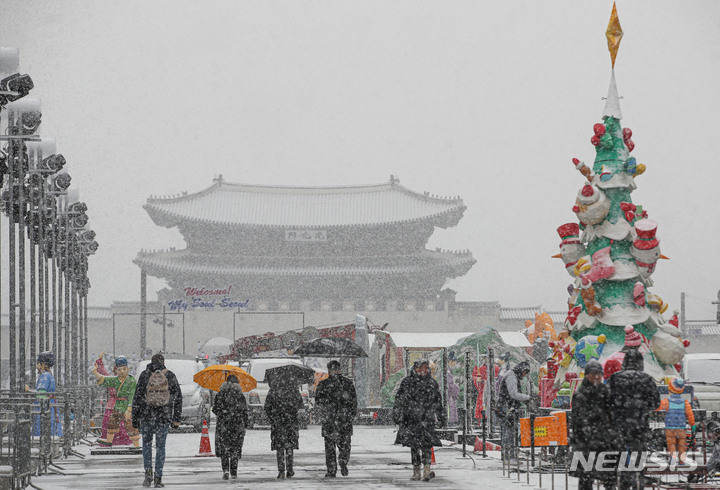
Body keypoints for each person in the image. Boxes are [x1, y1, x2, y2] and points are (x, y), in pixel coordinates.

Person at [608, 349, 660, 490]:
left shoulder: (615, 378)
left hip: (619, 425)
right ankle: (638, 482)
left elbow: (607, 401)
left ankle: (625, 482)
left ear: (624, 362)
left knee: (622, 456)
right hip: (640, 425)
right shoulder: (647, 379)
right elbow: (656, 402)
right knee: (639, 456)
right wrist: (642, 409)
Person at [132, 353, 183, 488]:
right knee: (161, 447)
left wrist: (135, 418)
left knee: (147, 445)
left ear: (151, 362)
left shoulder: (144, 375)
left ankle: (148, 473)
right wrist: (176, 418)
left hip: (147, 416)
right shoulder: (170, 375)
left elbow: (137, 397)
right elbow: (178, 397)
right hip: (163, 417)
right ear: (163, 362)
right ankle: (158, 477)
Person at [392, 359, 445, 482]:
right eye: (421, 368)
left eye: (426, 368)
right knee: (414, 446)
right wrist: (396, 414)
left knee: (426, 445)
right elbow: (399, 399)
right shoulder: (407, 382)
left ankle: (426, 470)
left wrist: (441, 417)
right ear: (415, 369)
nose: (423, 371)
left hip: (427, 419)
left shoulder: (432, 383)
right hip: (412, 419)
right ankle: (416, 471)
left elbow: (438, 402)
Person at [570, 360, 618, 490]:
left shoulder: (605, 392)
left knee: (609, 478)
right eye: (594, 373)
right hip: (587, 443)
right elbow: (578, 420)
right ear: (587, 375)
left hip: (605, 442)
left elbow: (612, 414)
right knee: (586, 478)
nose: (597, 377)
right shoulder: (580, 394)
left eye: (599, 374)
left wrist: (611, 434)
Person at [315, 360, 357, 478]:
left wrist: (324, 413)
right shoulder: (347, 383)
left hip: (329, 420)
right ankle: (343, 462)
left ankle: (331, 470)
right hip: (344, 420)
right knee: (345, 445)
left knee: (330, 447)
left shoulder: (323, 384)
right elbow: (354, 402)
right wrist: (350, 415)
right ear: (340, 370)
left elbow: (318, 402)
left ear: (328, 370)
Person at [92, 355, 140, 447]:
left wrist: (129, 409)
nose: (122, 371)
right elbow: (104, 379)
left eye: (124, 369)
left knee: (130, 425)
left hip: (126, 405)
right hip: (117, 405)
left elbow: (132, 395)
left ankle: (136, 444)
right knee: (112, 422)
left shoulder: (131, 380)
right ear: (116, 370)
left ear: (127, 369)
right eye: (119, 369)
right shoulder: (115, 380)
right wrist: (95, 372)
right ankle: (109, 440)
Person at [264, 376, 304, 479]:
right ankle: (290, 469)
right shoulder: (294, 391)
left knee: (279, 447)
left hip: (278, 423)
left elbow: (267, 407)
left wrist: (273, 418)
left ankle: (281, 470)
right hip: (291, 422)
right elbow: (301, 406)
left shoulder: (273, 391)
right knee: (289, 446)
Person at [212, 374, 248, 480]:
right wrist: (245, 424)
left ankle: (225, 470)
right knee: (235, 448)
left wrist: (223, 412)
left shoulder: (220, 394)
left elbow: (215, 409)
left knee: (224, 448)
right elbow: (244, 411)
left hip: (223, 425)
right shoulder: (240, 395)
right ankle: (234, 471)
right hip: (237, 425)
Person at [497, 360, 532, 465]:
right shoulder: (512, 376)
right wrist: (528, 398)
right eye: (524, 372)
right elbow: (514, 394)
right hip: (507, 408)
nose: (524, 375)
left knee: (509, 433)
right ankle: (509, 457)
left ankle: (508, 455)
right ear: (520, 369)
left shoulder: (513, 374)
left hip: (507, 407)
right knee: (509, 434)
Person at [655, 377, 695, 465]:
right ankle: (682, 460)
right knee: (682, 444)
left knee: (671, 444)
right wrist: (692, 425)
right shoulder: (685, 402)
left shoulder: (666, 402)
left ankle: (673, 458)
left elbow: (657, 408)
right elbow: (690, 415)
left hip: (670, 427)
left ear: (669, 390)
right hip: (682, 428)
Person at [32, 351, 62, 437]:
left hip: (44, 406)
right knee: (51, 425)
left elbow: (41, 393)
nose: (37, 365)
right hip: (51, 404)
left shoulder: (45, 376)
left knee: (42, 427)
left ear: (43, 364)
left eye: (38, 363)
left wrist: (29, 392)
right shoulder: (49, 375)